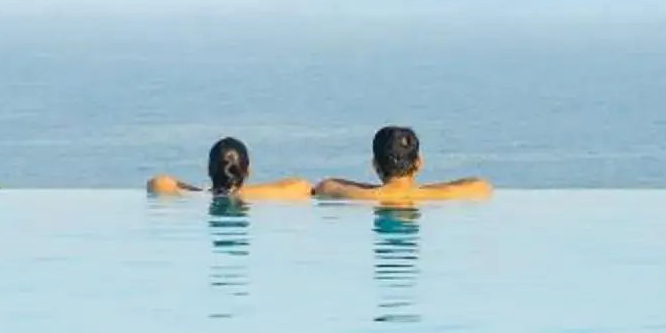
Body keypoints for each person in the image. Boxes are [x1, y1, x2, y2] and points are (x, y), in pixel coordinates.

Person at [315, 125, 490, 204]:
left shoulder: (359, 196)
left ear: (375, 165)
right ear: (419, 163)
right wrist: (422, 190)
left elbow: (325, 186)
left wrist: (372, 188)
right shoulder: (440, 197)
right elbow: (481, 186)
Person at [149, 135, 310, 201]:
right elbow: (302, 185)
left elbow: (159, 182)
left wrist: (198, 190)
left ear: (208, 170)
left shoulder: (198, 198)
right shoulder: (261, 198)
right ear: (248, 171)